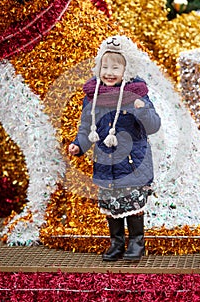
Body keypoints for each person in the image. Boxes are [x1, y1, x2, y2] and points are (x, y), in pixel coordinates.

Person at [68, 35, 161, 261]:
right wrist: (79, 145)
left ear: (126, 69)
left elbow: (153, 126)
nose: (109, 72)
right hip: (106, 161)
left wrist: (141, 109)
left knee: (132, 202)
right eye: (104, 66)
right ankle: (116, 242)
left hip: (133, 163)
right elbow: (87, 127)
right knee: (112, 204)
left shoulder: (136, 94)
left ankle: (137, 242)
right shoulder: (93, 97)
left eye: (115, 67)